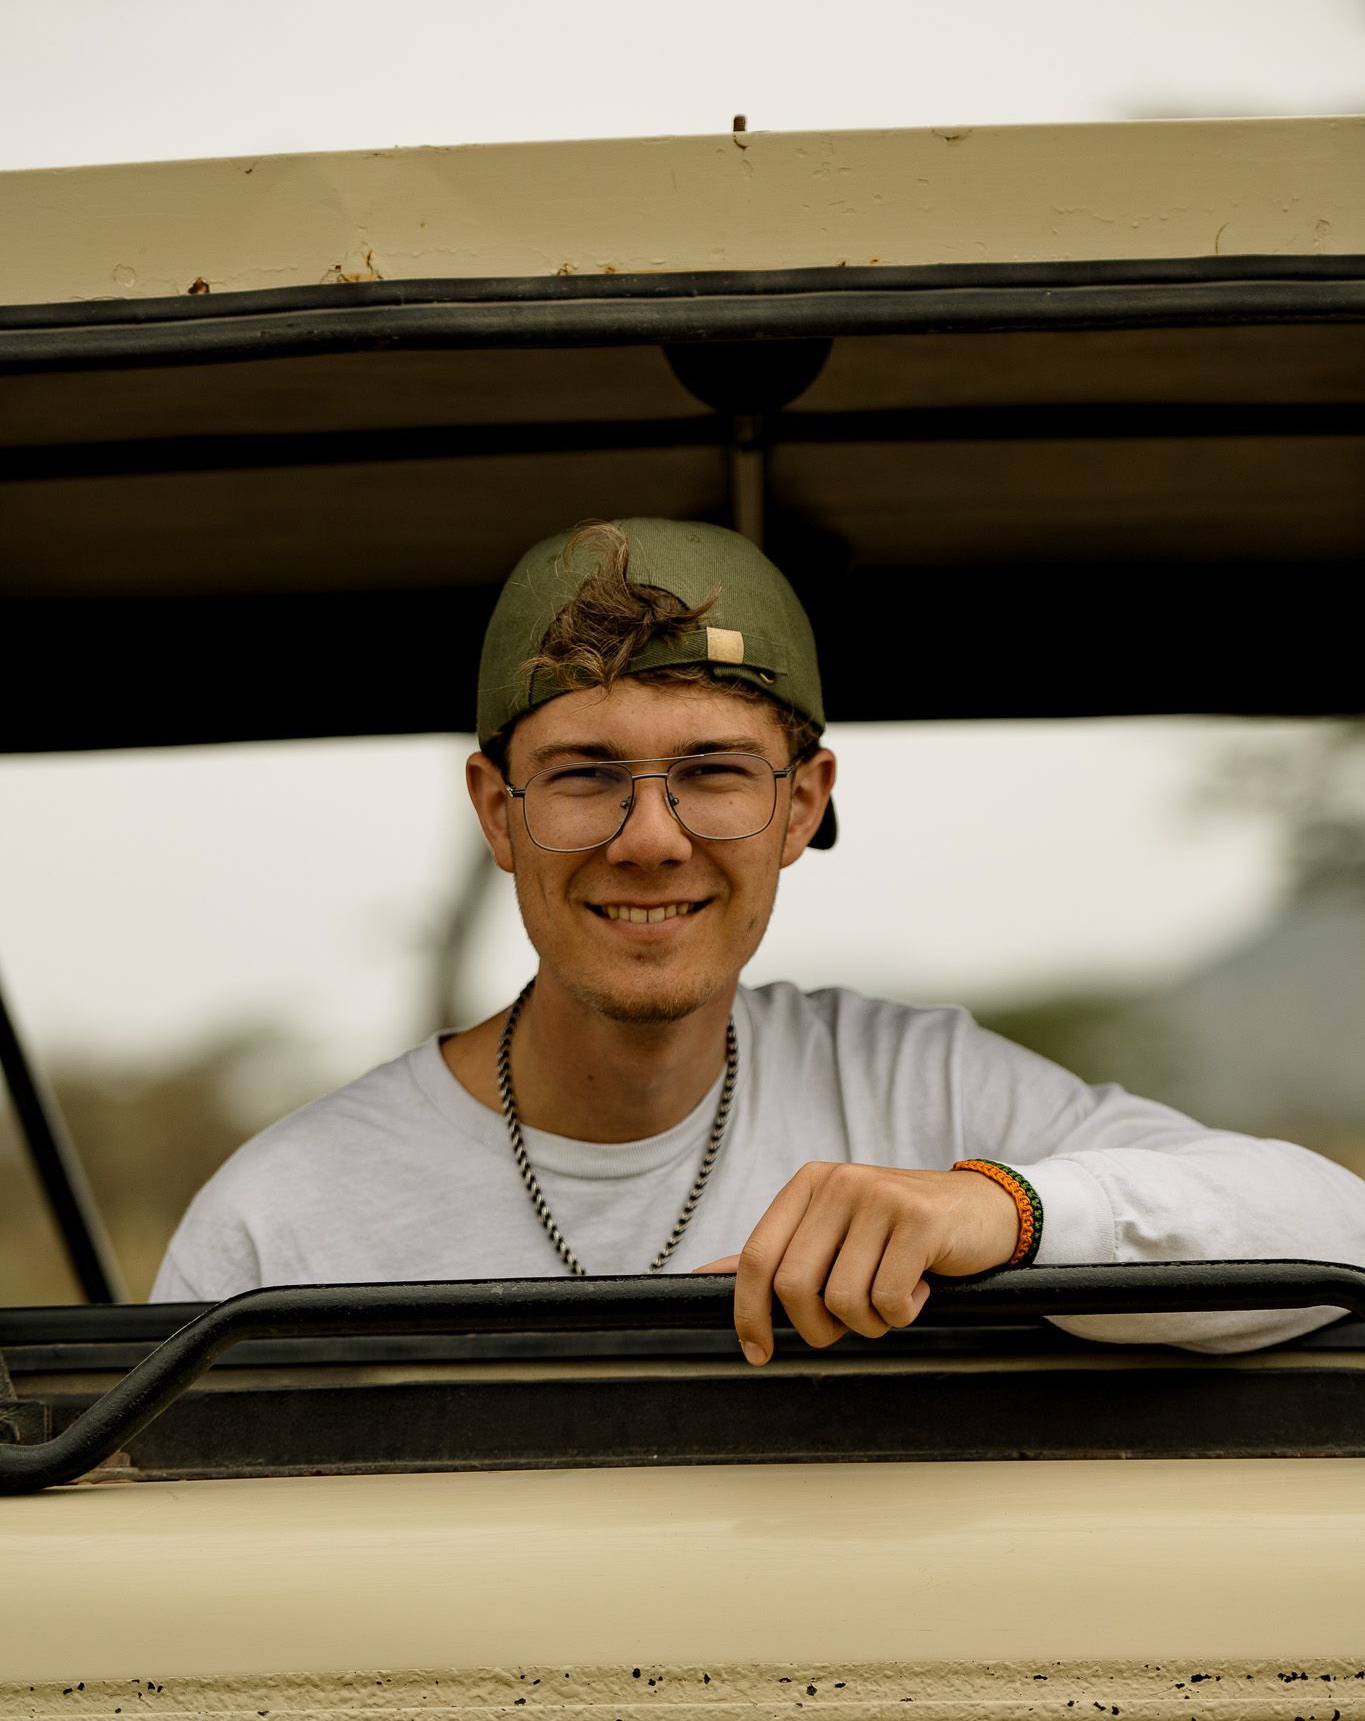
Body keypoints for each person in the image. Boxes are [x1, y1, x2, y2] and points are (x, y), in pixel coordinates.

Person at [153, 517, 1365, 1357]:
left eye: (712, 773)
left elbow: (1332, 1238)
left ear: (803, 803)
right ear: (496, 811)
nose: (650, 838)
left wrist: (1005, 1211)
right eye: (584, 776)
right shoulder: (287, 1219)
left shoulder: (916, 1086)